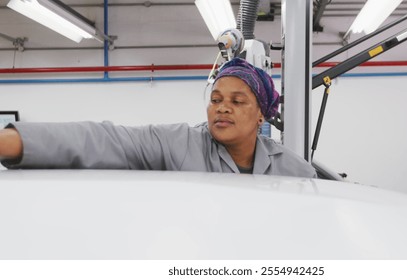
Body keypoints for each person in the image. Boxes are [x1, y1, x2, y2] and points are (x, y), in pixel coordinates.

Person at [0, 58, 317, 178]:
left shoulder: (293, 169)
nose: (222, 108)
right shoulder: (179, 144)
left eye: (238, 101)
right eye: (216, 100)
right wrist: (12, 141)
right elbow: (105, 141)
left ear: (261, 111)